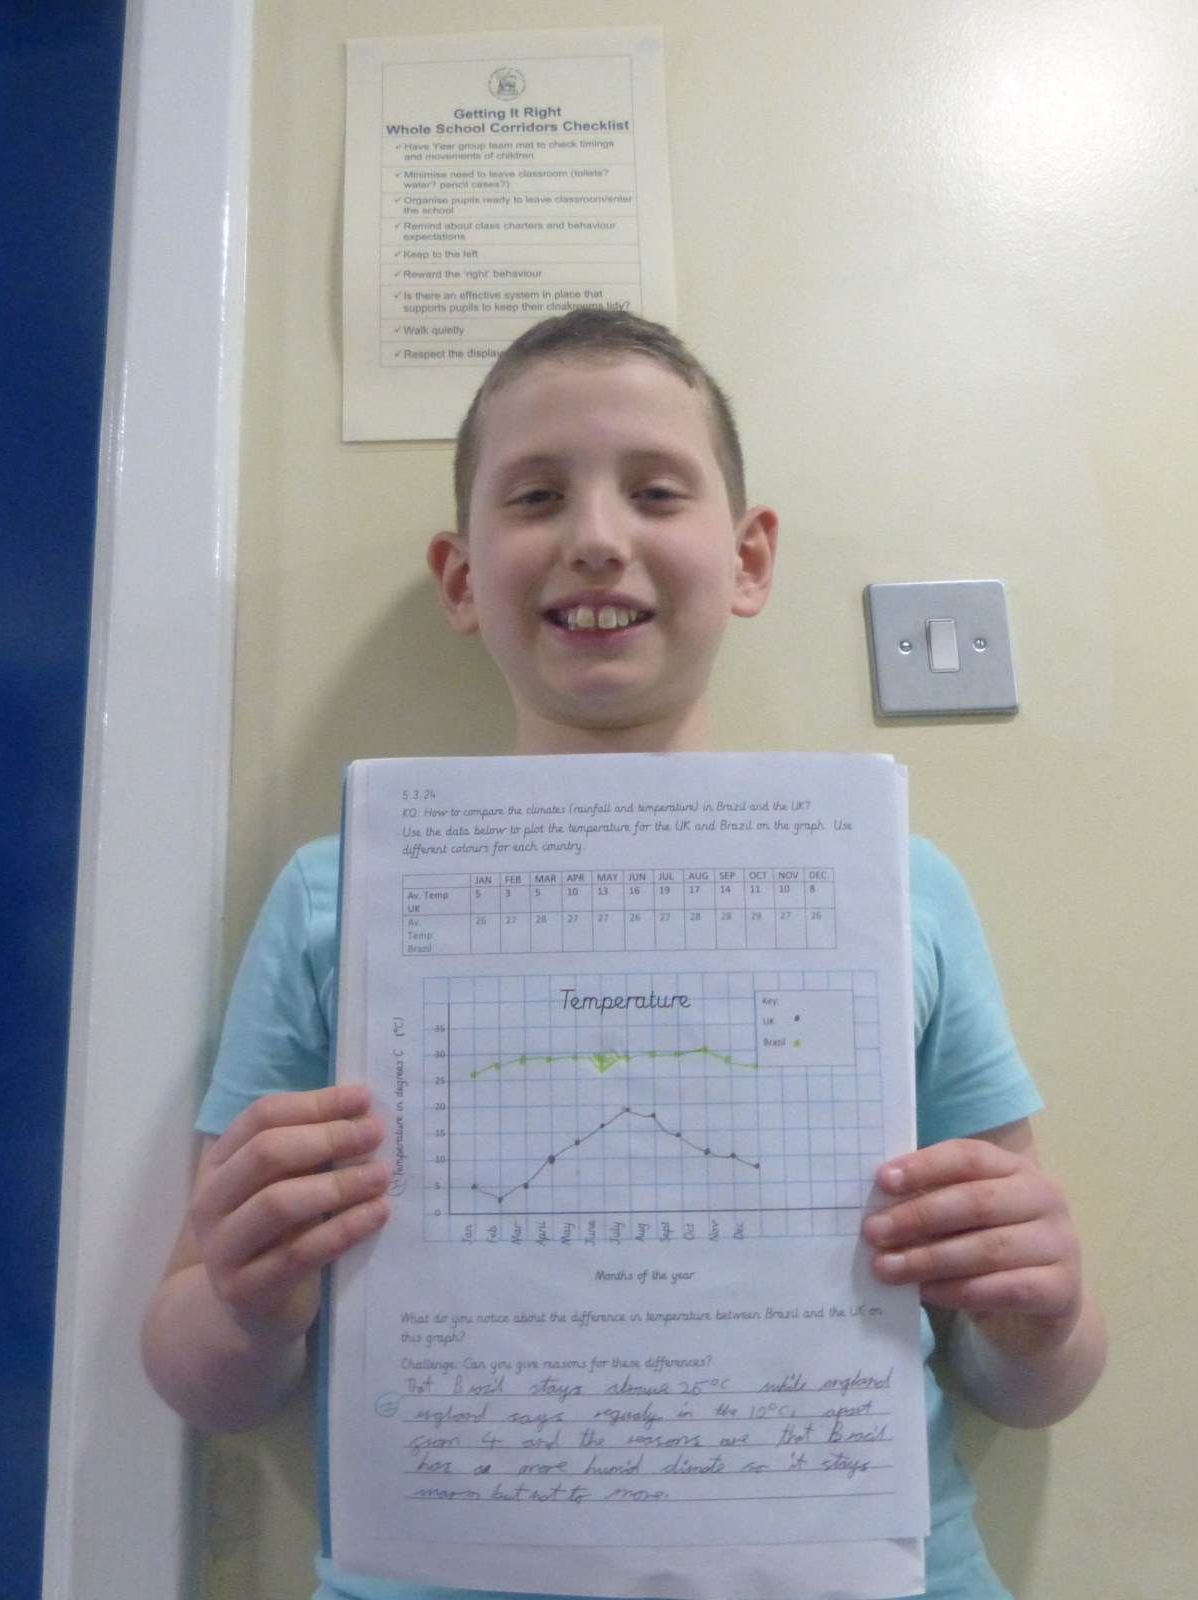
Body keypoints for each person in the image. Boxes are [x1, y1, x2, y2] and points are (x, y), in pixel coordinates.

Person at [142, 309, 1106, 1598]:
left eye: (656, 491)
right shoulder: (338, 896)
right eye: (536, 496)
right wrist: (243, 1301)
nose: (597, 536)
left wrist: (1039, 1317)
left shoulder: (899, 888)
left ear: (749, 558)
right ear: (459, 579)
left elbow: (1031, 1381)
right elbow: (201, 1375)